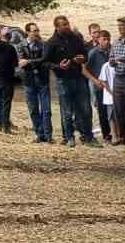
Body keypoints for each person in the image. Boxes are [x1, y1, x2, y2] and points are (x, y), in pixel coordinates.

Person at [46, 15, 101, 148]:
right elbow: (45, 62)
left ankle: (89, 137)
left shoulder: (76, 39)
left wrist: (82, 58)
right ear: (57, 27)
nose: (67, 26)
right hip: (63, 80)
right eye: (63, 24)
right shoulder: (51, 42)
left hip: (78, 78)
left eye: (67, 23)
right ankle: (69, 137)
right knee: (67, 111)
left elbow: (85, 55)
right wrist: (59, 66)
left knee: (86, 109)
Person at [16, 22, 52, 143]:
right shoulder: (21, 45)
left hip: (42, 80)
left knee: (46, 110)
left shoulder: (43, 45)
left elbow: (44, 60)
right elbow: (21, 63)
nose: (37, 33)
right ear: (27, 32)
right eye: (34, 31)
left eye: (37, 30)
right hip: (29, 81)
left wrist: (29, 61)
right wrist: (34, 62)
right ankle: (39, 134)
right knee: (33, 109)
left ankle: (48, 135)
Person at [108, 16, 125, 144]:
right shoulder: (115, 42)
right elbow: (111, 59)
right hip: (117, 78)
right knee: (119, 109)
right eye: (118, 26)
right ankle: (124, 136)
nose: (120, 28)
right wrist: (112, 62)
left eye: (122, 25)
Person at [87, 28, 113, 143]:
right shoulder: (93, 53)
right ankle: (106, 135)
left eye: (108, 39)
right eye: (104, 39)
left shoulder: (112, 51)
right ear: (98, 40)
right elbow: (84, 69)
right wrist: (95, 80)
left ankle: (119, 133)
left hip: (112, 87)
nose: (106, 42)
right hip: (100, 87)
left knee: (115, 111)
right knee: (102, 112)